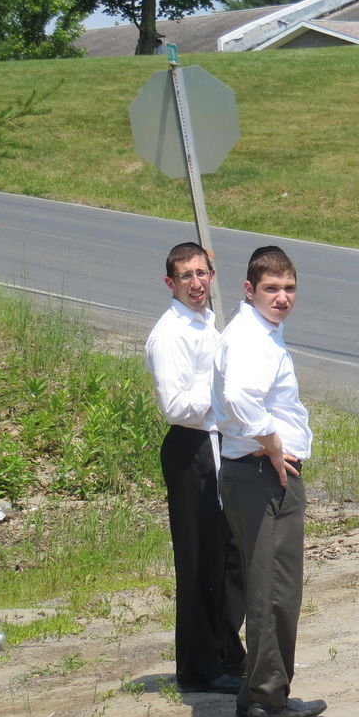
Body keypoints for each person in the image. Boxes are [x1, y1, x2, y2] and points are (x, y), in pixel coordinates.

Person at [212, 245, 326, 717]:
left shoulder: (257, 332)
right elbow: (240, 395)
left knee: (270, 588)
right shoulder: (252, 338)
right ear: (249, 289)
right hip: (264, 476)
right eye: (271, 289)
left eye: (289, 288)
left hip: (255, 474)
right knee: (274, 592)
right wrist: (274, 444)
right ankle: (266, 697)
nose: (282, 297)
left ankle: (258, 690)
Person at [144, 241, 245, 694]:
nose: (196, 283)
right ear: (171, 283)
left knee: (228, 556)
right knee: (199, 560)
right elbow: (175, 406)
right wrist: (220, 397)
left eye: (201, 274)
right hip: (191, 451)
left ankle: (225, 651)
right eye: (186, 276)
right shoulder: (171, 334)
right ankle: (199, 668)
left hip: (217, 444)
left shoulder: (207, 324)